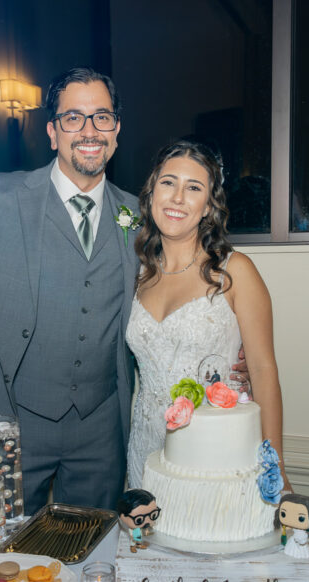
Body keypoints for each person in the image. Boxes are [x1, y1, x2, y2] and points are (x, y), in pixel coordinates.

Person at [0, 67, 137, 514]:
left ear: (116, 130)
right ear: (52, 131)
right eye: (73, 118)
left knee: (89, 557)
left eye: (102, 117)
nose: (89, 130)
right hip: (5, 419)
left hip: (100, 429)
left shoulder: (138, 215)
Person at [124, 139, 289, 491]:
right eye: (168, 183)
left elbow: (262, 370)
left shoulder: (236, 271)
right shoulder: (135, 273)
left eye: (193, 187)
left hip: (215, 447)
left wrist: (276, 465)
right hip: (145, 445)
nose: (177, 198)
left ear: (208, 206)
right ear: (152, 193)